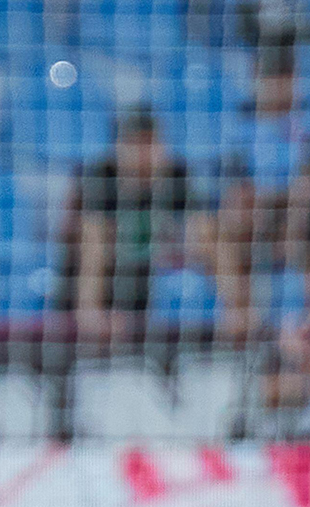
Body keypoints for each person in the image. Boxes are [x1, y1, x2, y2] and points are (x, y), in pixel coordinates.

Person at [58, 109, 197, 342]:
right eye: (136, 144)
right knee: (96, 239)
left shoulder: (175, 177)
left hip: (148, 294)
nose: (145, 154)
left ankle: (238, 311)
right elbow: (91, 249)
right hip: (96, 297)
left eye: (151, 143)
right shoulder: (99, 178)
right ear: (119, 147)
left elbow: (203, 234)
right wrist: (92, 311)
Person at [214, 40, 310, 339]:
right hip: (253, 219)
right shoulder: (237, 127)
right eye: (272, 75)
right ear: (257, 76)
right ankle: (244, 315)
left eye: (285, 74)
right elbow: (234, 190)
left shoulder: (304, 122)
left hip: (299, 219)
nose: (279, 84)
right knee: (208, 228)